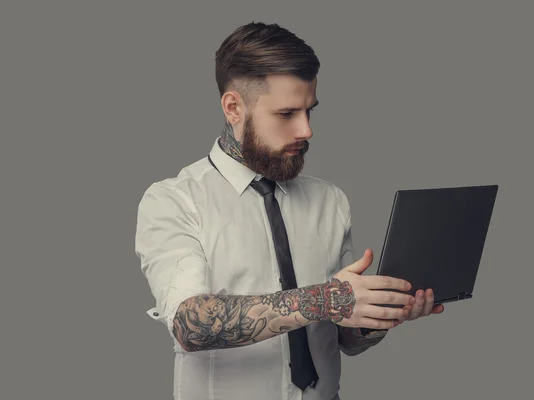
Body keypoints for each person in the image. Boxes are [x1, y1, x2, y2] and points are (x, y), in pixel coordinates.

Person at [134, 21, 444, 400]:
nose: (306, 130)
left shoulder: (330, 201)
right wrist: (327, 298)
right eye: (286, 114)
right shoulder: (173, 201)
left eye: (309, 111)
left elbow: (343, 337)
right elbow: (190, 324)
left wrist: (379, 314)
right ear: (234, 107)